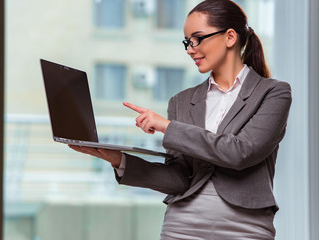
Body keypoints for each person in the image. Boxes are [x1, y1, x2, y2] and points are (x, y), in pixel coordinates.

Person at [69, 0, 292, 239]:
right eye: (187, 41)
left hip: (246, 226)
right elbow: (179, 178)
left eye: (197, 38)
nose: (190, 49)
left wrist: (167, 127)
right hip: (182, 226)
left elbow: (240, 153)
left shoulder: (273, 93)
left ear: (229, 37)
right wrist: (119, 160)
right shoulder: (181, 101)